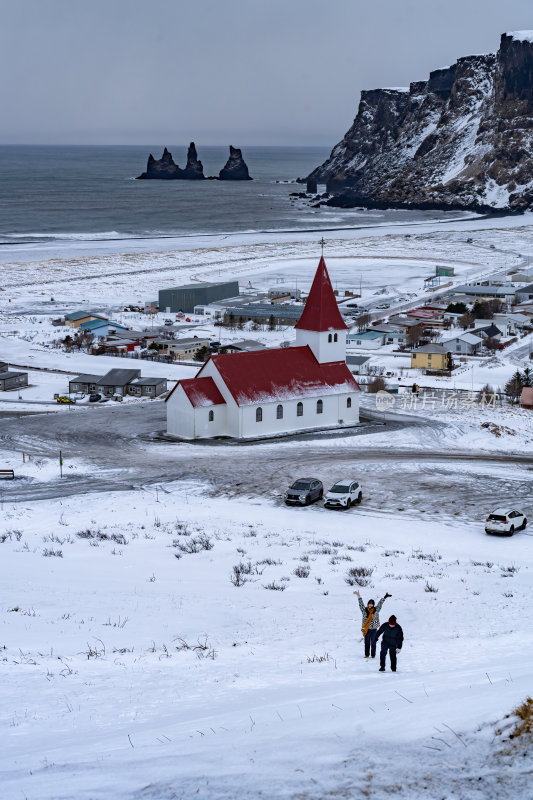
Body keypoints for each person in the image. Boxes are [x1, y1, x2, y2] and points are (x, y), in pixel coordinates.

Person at [354, 590, 391, 659]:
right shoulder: (364, 610)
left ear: (373, 604)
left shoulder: (376, 610)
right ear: (368, 604)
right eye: (369, 603)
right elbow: (361, 604)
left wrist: (385, 597)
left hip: (374, 629)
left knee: (373, 642)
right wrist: (358, 596)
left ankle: (373, 655)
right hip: (367, 629)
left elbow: (380, 604)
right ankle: (367, 654)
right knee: (367, 642)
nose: (370, 605)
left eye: (372, 604)